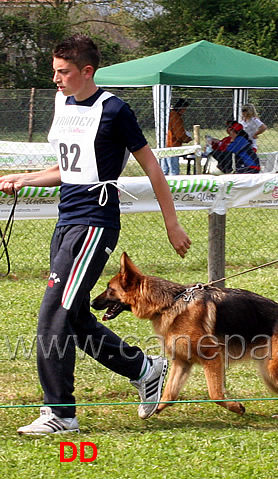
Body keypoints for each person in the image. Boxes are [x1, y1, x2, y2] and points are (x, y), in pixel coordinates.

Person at [0, 34, 191, 435]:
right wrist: (29, 177)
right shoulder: (62, 103)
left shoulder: (114, 109)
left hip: (94, 222)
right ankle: (143, 368)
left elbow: (153, 167)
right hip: (66, 220)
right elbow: (69, 169)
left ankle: (61, 413)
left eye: (63, 72)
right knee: (74, 315)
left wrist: (171, 223)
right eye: (54, 71)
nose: (56, 79)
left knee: (54, 314)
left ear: (87, 71)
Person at [162, 98, 192, 175]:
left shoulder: (169, 115)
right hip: (172, 145)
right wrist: (187, 138)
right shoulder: (175, 117)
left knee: (165, 170)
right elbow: (179, 133)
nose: (184, 111)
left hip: (165, 144)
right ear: (181, 108)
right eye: (184, 109)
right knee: (174, 170)